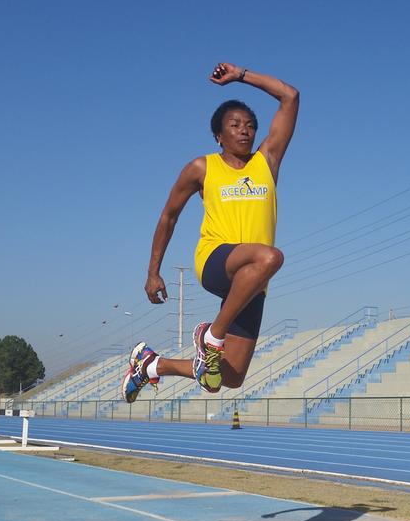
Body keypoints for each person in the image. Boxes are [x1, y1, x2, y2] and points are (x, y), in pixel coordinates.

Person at [123, 62, 298, 402]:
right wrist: (153, 272)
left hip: (253, 279)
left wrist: (242, 76)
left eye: (250, 126)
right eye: (235, 125)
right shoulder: (203, 167)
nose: (245, 131)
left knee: (227, 378)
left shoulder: (267, 160)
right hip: (216, 260)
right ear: (219, 135)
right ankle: (212, 337)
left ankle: (151, 366)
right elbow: (169, 216)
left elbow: (290, 96)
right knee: (271, 255)